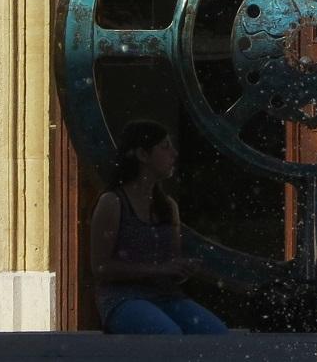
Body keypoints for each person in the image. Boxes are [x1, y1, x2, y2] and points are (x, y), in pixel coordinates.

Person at [90, 120, 228, 335]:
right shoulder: (113, 202)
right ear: (142, 155)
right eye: (164, 147)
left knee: (217, 334)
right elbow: (101, 268)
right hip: (124, 299)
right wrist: (159, 269)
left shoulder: (167, 206)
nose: (173, 154)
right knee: (167, 335)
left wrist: (182, 269)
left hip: (167, 297)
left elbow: (170, 264)